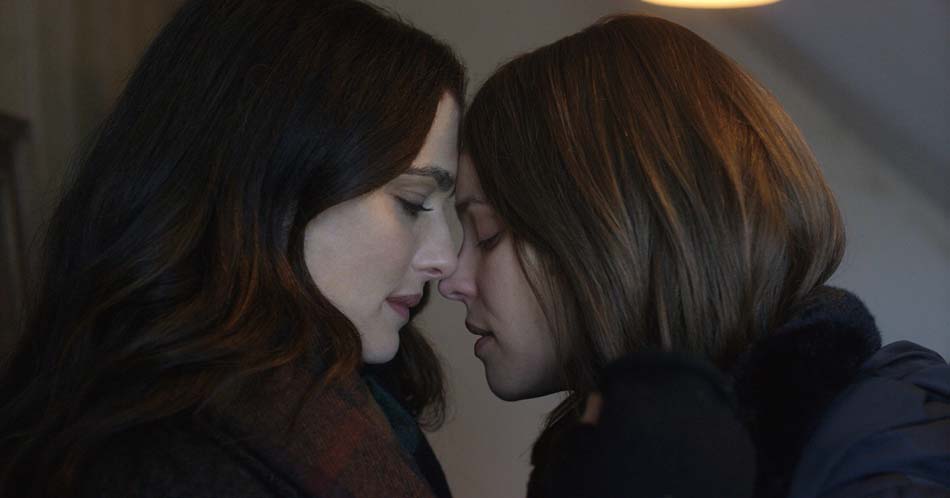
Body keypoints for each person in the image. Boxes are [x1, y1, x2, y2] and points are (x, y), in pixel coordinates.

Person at [439, 14, 950, 498]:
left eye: (486, 234)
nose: (451, 278)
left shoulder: (894, 455)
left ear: (611, 227)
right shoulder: (613, 448)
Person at [0, 1, 465, 497]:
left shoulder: (361, 405)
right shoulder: (163, 467)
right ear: (269, 183)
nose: (445, 258)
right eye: (412, 201)